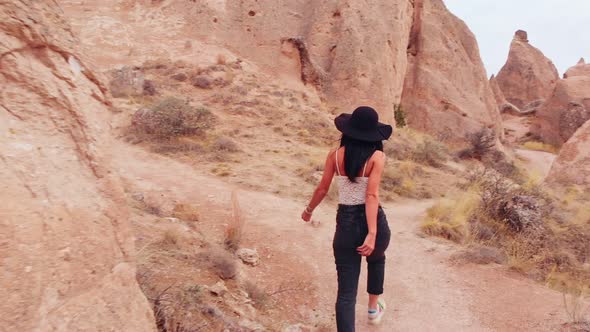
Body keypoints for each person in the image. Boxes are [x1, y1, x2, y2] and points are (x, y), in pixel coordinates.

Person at [301, 106, 392, 332]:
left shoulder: (335, 155)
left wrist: (309, 210)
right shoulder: (377, 156)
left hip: (346, 222)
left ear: (348, 130)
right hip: (374, 220)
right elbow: (371, 195)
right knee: (377, 258)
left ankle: (367, 313)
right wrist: (372, 233)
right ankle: (373, 309)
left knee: (346, 294)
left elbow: (322, 188)